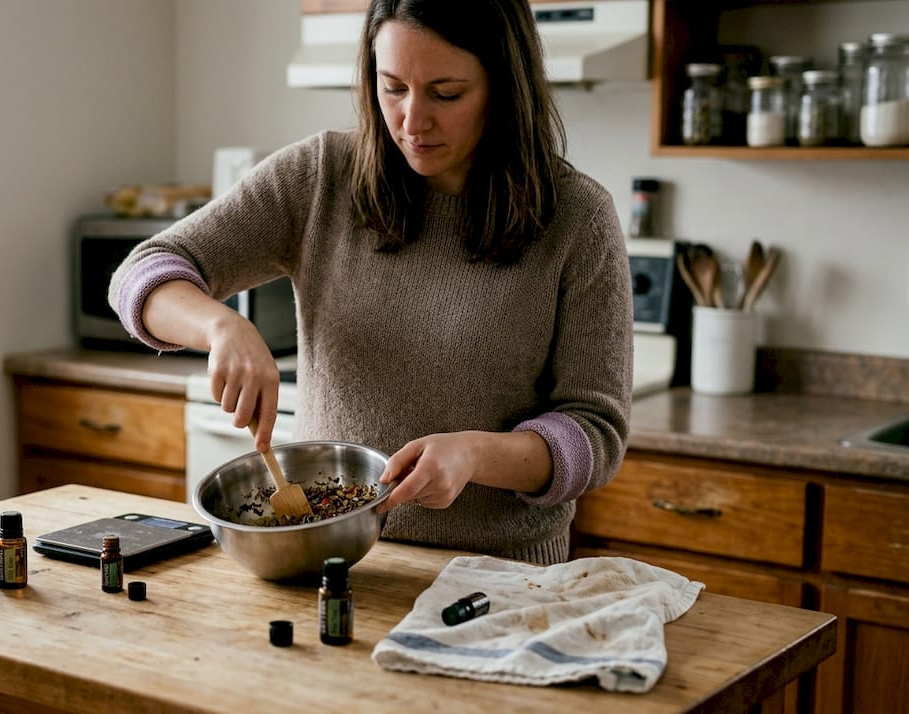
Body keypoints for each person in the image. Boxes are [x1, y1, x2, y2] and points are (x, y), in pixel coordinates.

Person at [108, 0, 631, 565]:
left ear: (505, 87)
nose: (412, 121)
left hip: (500, 580)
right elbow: (143, 272)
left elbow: (595, 433)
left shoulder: (577, 217)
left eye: (446, 94)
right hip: (329, 561)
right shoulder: (321, 177)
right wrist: (220, 325)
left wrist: (477, 456)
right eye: (392, 87)